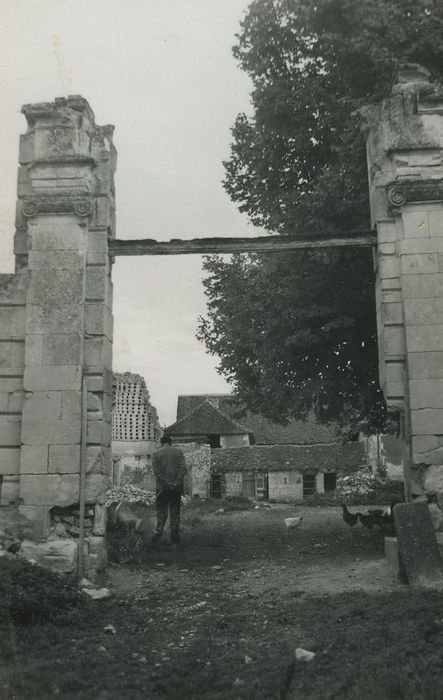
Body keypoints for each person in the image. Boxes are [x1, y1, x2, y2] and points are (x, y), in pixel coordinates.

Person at [151, 435, 187, 545]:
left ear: (162, 443)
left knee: (161, 511)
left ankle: (158, 532)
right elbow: (183, 469)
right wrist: (175, 483)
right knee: (175, 511)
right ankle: (174, 537)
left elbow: (156, 472)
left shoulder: (156, 454)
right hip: (176, 489)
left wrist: (166, 483)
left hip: (162, 488)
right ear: (171, 443)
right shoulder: (179, 452)